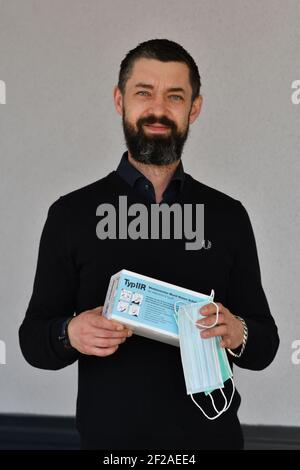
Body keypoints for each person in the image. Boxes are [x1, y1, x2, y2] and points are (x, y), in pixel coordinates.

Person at [19, 39, 279, 450]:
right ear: (120, 100)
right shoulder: (71, 214)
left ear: (194, 108)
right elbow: (34, 341)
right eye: (144, 93)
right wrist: (70, 333)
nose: (158, 109)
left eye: (174, 96)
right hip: (110, 450)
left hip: (211, 444)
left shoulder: (229, 217)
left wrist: (237, 331)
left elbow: (265, 344)